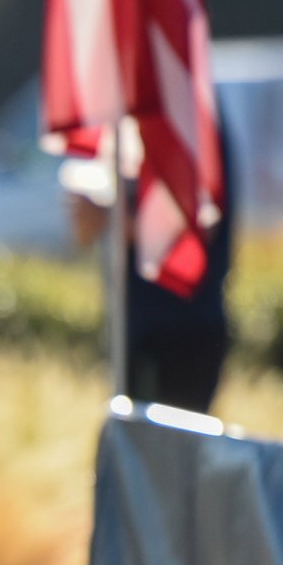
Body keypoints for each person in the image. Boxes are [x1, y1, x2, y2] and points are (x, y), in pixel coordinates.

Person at [69, 115, 236, 414]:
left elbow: (192, 226)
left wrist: (110, 218)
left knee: (172, 449)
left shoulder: (187, 113)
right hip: (134, 324)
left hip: (182, 327)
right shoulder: (128, 126)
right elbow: (84, 232)